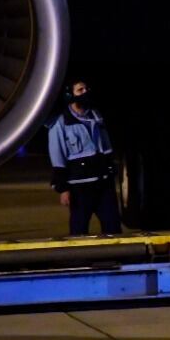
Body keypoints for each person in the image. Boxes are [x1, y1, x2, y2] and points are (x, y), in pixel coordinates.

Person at [47, 79, 121, 236]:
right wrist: (63, 189)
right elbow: (57, 156)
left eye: (86, 89)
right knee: (79, 229)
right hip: (80, 188)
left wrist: (111, 169)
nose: (85, 92)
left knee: (113, 227)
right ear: (70, 95)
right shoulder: (60, 123)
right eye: (80, 90)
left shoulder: (95, 115)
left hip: (103, 183)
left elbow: (106, 145)